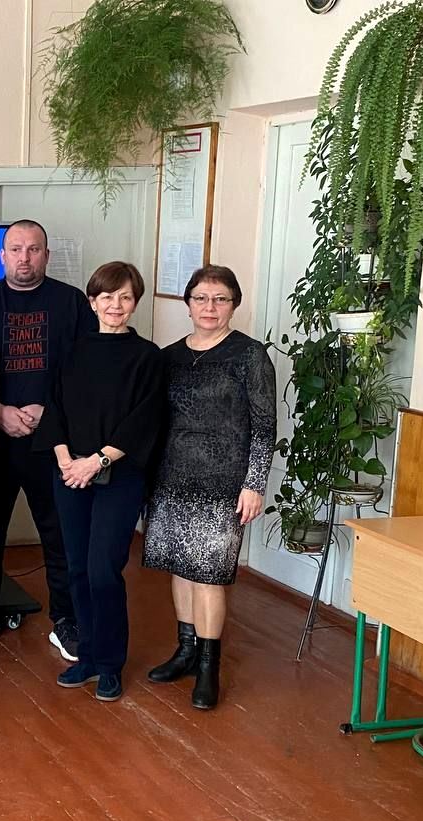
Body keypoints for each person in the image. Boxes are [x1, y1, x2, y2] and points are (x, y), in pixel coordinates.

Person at [142, 265, 276, 710]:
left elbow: (264, 427)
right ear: (188, 303)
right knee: (180, 568)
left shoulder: (250, 356)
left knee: (209, 575)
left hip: (224, 483)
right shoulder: (169, 357)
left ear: (234, 305)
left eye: (220, 299)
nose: (210, 307)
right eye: (201, 298)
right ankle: (185, 651)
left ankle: (207, 667)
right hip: (171, 477)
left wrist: (254, 484)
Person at [0, 219, 95, 659]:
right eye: (16, 249)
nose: (24, 257)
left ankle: (67, 619)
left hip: (54, 443)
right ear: (2, 256)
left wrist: (50, 413)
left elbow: (86, 373)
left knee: (61, 535)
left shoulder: (72, 303)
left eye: (33, 249)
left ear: (46, 255)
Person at [36, 262, 165, 703]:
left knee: (103, 570)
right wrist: (66, 461)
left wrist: (95, 461)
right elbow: (53, 409)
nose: (115, 305)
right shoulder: (71, 351)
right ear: (92, 302)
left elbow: (144, 421)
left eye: (125, 297)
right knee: (75, 567)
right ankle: (87, 656)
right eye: (107, 296)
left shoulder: (148, 357)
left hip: (119, 476)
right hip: (69, 474)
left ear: (135, 303)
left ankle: (110, 664)